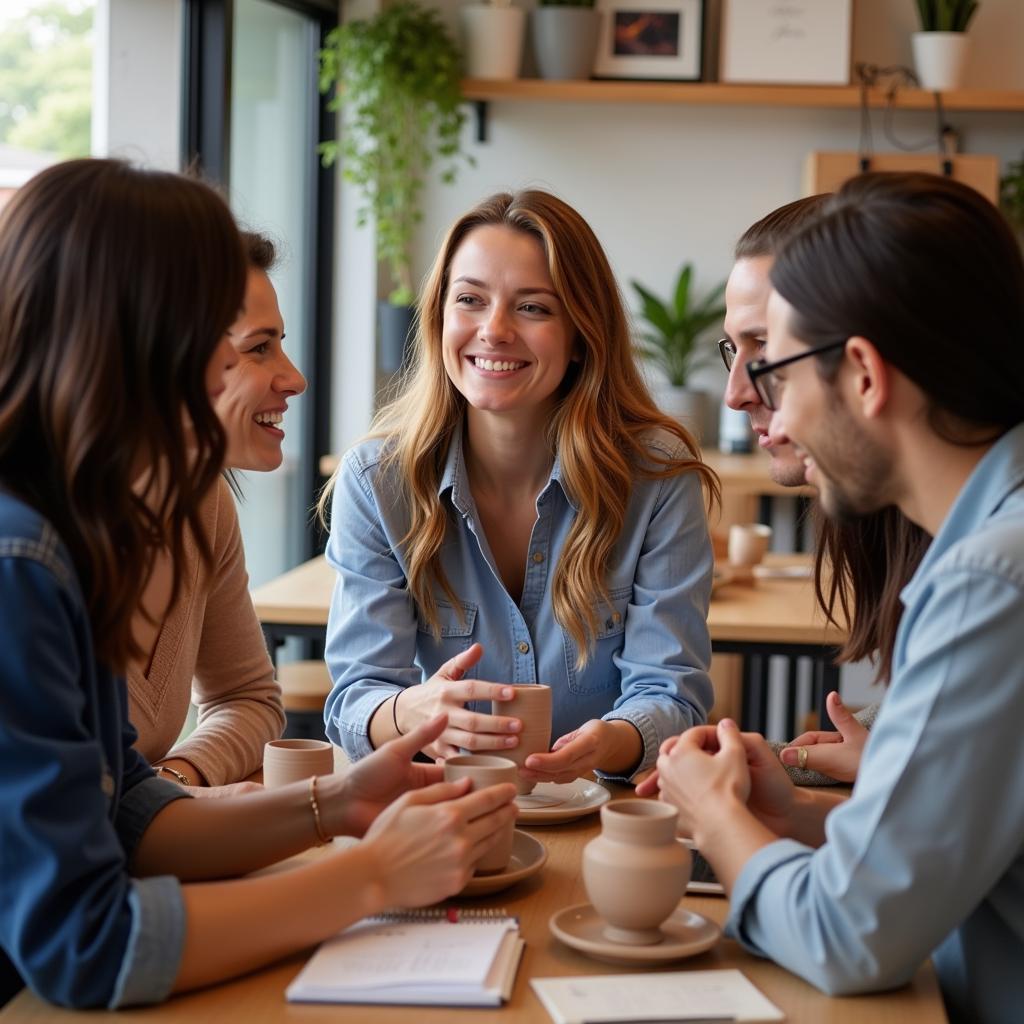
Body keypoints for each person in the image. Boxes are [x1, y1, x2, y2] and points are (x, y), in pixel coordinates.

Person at [0, 159, 516, 1010]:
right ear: (139, 341)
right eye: (244, 343)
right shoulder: (21, 565)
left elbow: (127, 810)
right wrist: (373, 875)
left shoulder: (75, 533)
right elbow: (83, 944)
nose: (292, 379)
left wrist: (337, 802)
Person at [648, 171, 1024, 1023]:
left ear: (861, 374)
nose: (769, 415)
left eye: (777, 372)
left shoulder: (988, 579)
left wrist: (716, 818)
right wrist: (814, 817)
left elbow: (847, 933)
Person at [321, 189, 717, 783]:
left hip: (602, 814)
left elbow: (674, 694)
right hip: (444, 809)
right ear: (439, 319)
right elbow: (356, 696)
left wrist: (609, 742)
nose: (495, 330)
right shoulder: (377, 482)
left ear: (582, 333)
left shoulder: (656, 478)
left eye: (533, 308)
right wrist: (412, 712)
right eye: (470, 300)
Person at [720, 195, 929, 783]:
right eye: (733, 350)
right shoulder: (906, 523)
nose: (736, 394)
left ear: (863, 363)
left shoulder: (985, 569)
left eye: (770, 353)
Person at [130, 232, 304, 791]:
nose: (294, 378)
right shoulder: (39, 545)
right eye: (259, 348)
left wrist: (174, 780)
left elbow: (247, 699)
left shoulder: (203, 506)